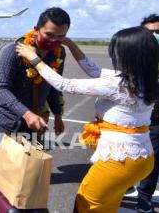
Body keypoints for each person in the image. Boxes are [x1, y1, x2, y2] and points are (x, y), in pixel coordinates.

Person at [17, 27, 158, 212]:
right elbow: (93, 69)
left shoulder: (116, 84)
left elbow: (64, 84)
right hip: (142, 158)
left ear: (129, 55)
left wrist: (33, 58)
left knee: (86, 203)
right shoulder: (145, 79)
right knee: (108, 204)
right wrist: (69, 43)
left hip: (120, 160)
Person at [0, 7, 69, 149]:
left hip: (34, 120)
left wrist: (57, 115)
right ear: (36, 29)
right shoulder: (14, 52)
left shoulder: (59, 53)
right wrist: (26, 114)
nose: (54, 40)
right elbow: (0, 89)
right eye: (49, 35)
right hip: (7, 119)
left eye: (60, 36)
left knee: (30, 167)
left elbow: (54, 86)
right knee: (9, 167)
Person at [132, 13, 159, 213]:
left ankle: (144, 198)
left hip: (156, 116)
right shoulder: (133, 56)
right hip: (134, 115)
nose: (155, 36)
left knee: (153, 159)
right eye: (151, 33)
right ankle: (125, 184)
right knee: (129, 154)